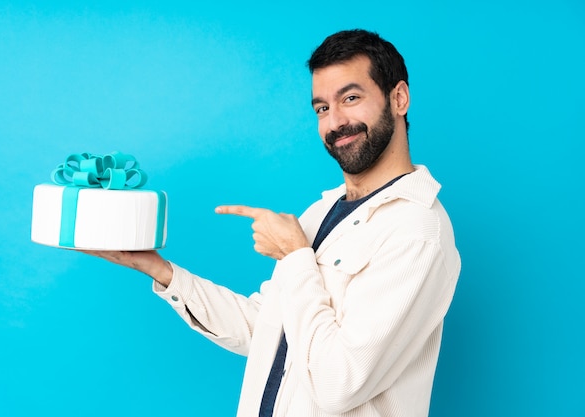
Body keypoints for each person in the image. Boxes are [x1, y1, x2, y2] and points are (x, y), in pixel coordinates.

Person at [86, 29, 461, 417]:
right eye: (322, 108)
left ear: (398, 98)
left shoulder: (417, 232)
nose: (335, 122)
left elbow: (338, 383)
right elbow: (265, 328)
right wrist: (159, 270)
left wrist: (297, 256)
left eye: (351, 98)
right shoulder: (323, 212)